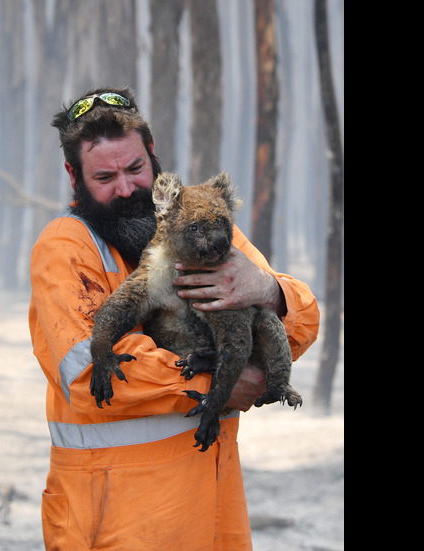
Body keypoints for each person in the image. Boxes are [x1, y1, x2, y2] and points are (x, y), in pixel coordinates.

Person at [29, 86, 320, 550]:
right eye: (105, 176)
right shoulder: (65, 247)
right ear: (73, 175)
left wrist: (267, 290)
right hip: (115, 522)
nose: (125, 187)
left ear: (153, 154)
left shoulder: (200, 223)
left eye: (135, 169)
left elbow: (301, 322)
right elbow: (85, 370)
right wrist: (218, 383)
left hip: (215, 514)